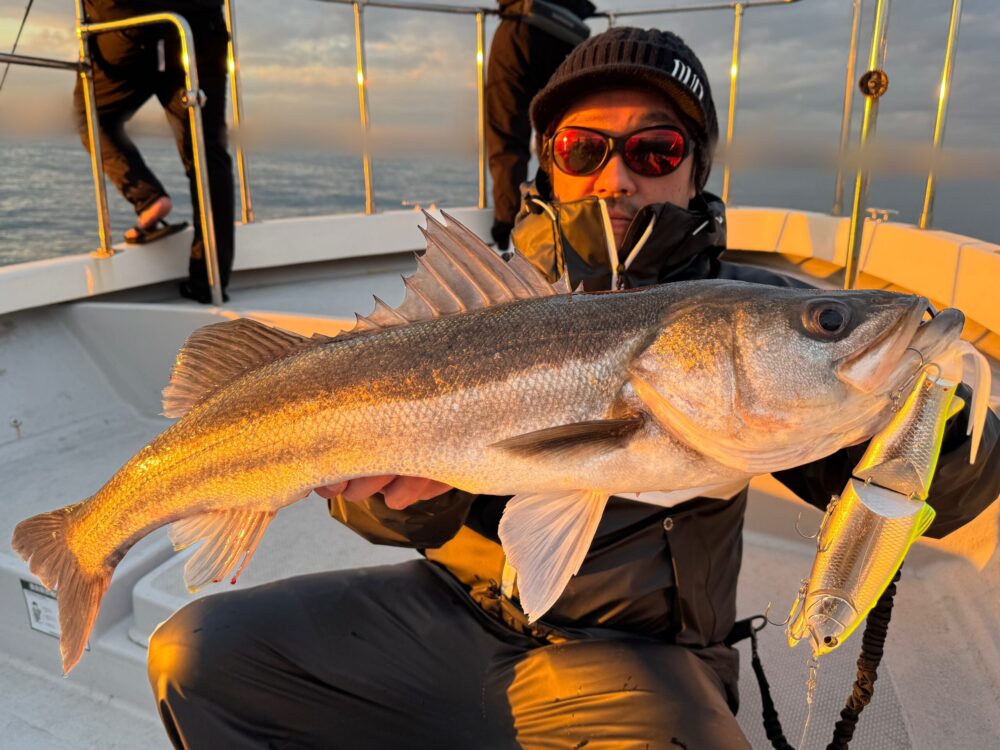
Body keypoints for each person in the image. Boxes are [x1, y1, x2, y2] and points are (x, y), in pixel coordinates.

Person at [146, 27, 1000, 748]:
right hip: (458, 609)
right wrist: (407, 503)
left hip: (643, 656)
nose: (617, 177)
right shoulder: (482, 299)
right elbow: (383, 509)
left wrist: (918, 411)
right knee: (202, 655)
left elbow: (952, 493)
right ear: (549, 166)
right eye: (582, 148)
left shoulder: (756, 309)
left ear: (694, 170)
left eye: (655, 150)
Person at [74, 0, 235, 303]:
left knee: (92, 118)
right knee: (207, 154)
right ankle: (209, 282)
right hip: (199, 29)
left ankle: (147, 197)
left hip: (126, 28)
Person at [486, 0, 595, 251]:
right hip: (568, 33)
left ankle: (509, 232)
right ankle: (576, 222)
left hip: (520, 24)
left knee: (506, 134)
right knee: (570, 135)